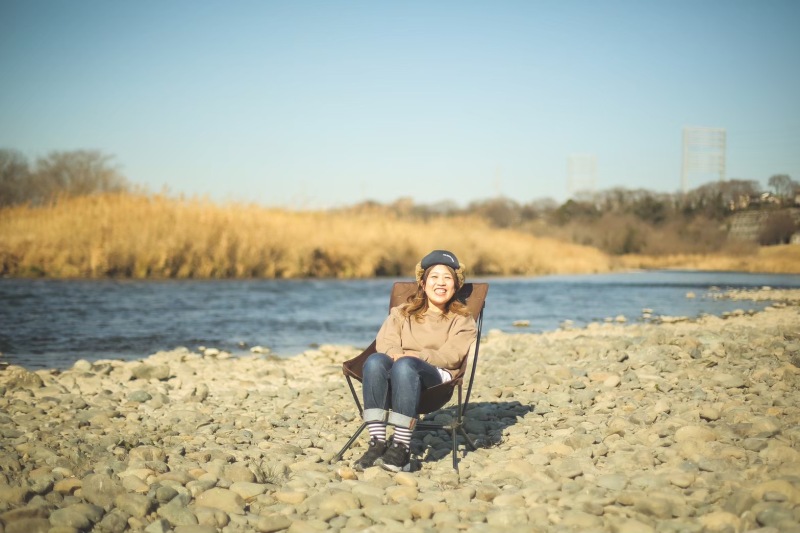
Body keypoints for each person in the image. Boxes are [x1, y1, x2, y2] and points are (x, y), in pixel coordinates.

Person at [354, 249, 478, 472]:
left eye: (447, 278)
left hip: (436, 379)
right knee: (374, 361)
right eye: (434, 277)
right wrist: (397, 355)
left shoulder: (462, 319)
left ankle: (401, 447)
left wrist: (417, 356)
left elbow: (453, 356)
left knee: (405, 365)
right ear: (423, 283)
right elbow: (385, 342)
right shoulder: (401, 313)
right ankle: (377, 442)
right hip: (397, 370)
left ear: (456, 285)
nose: (441, 283)